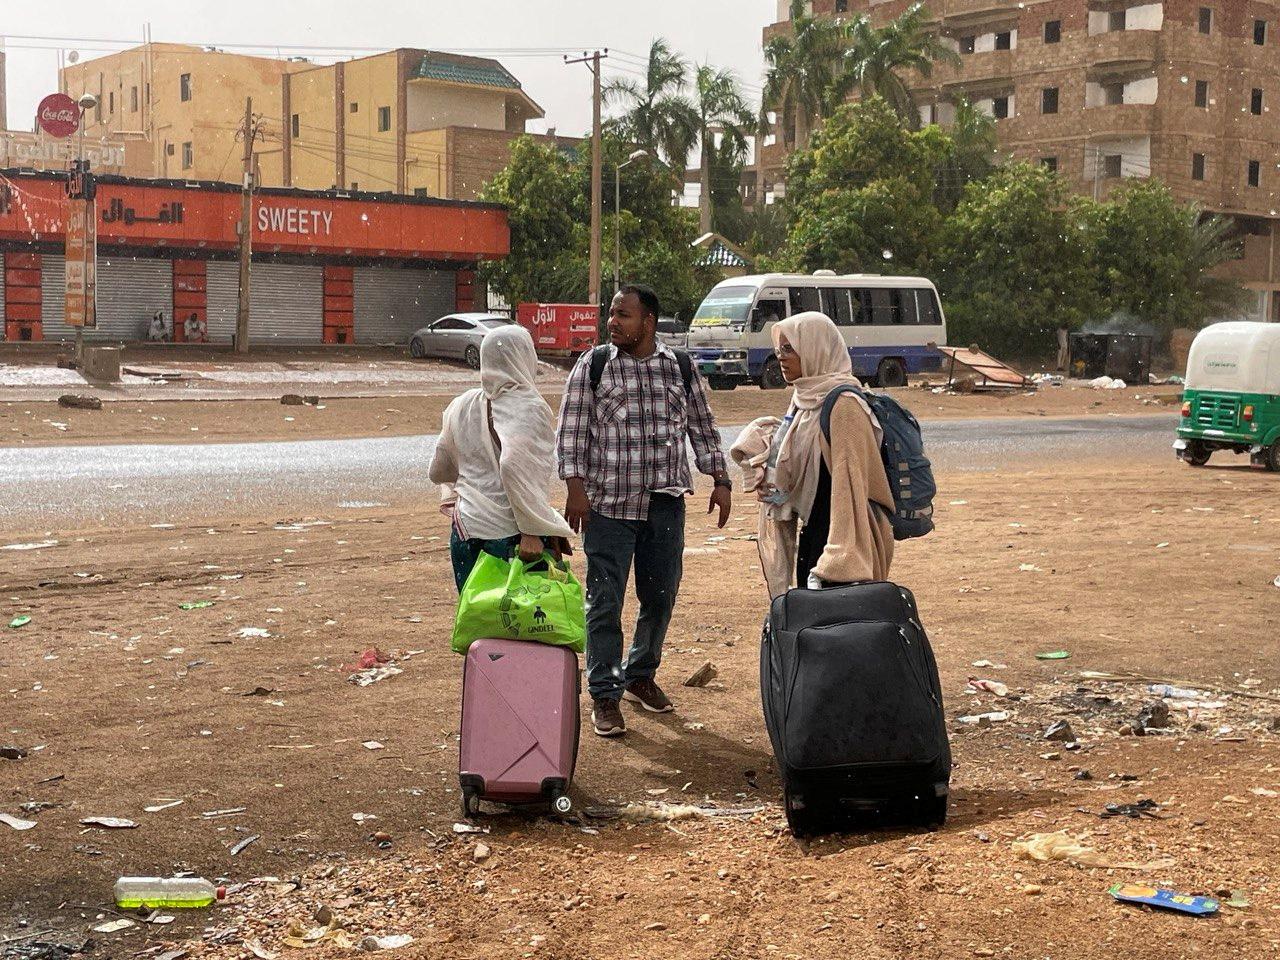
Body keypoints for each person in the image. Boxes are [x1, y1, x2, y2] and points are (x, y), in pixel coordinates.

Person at [557, 284, 732, 738]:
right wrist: (575, 488)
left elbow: (702, 424)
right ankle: (605, 694)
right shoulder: (593, 366)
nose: (613, 322)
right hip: (608, 506)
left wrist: (721, 478)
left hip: (665, 504)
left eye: (623, 315)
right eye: (611, 314)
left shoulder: (680, 368)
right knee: (605, 602)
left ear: (648, 321)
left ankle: (639, 675)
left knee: (660, 597)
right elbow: (572, 430)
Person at [754, 311, 894, 592]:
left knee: (839, 630)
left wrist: (836, 561)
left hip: (847, 543)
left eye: (789, 348)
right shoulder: (804, 400)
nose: (781, 356)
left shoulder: (845, 405)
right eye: (778, 349)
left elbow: (849, 487)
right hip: (816, 535)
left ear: (814, 349)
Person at [429, 324, 573, 593]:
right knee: (523, 623)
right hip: (511, 536)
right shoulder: (529, 406)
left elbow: (438, 470)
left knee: (476, 619)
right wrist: (532, 531)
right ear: (524, 357)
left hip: (466, 532)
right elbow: (514, 466)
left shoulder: (461, 404)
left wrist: (474, 482)